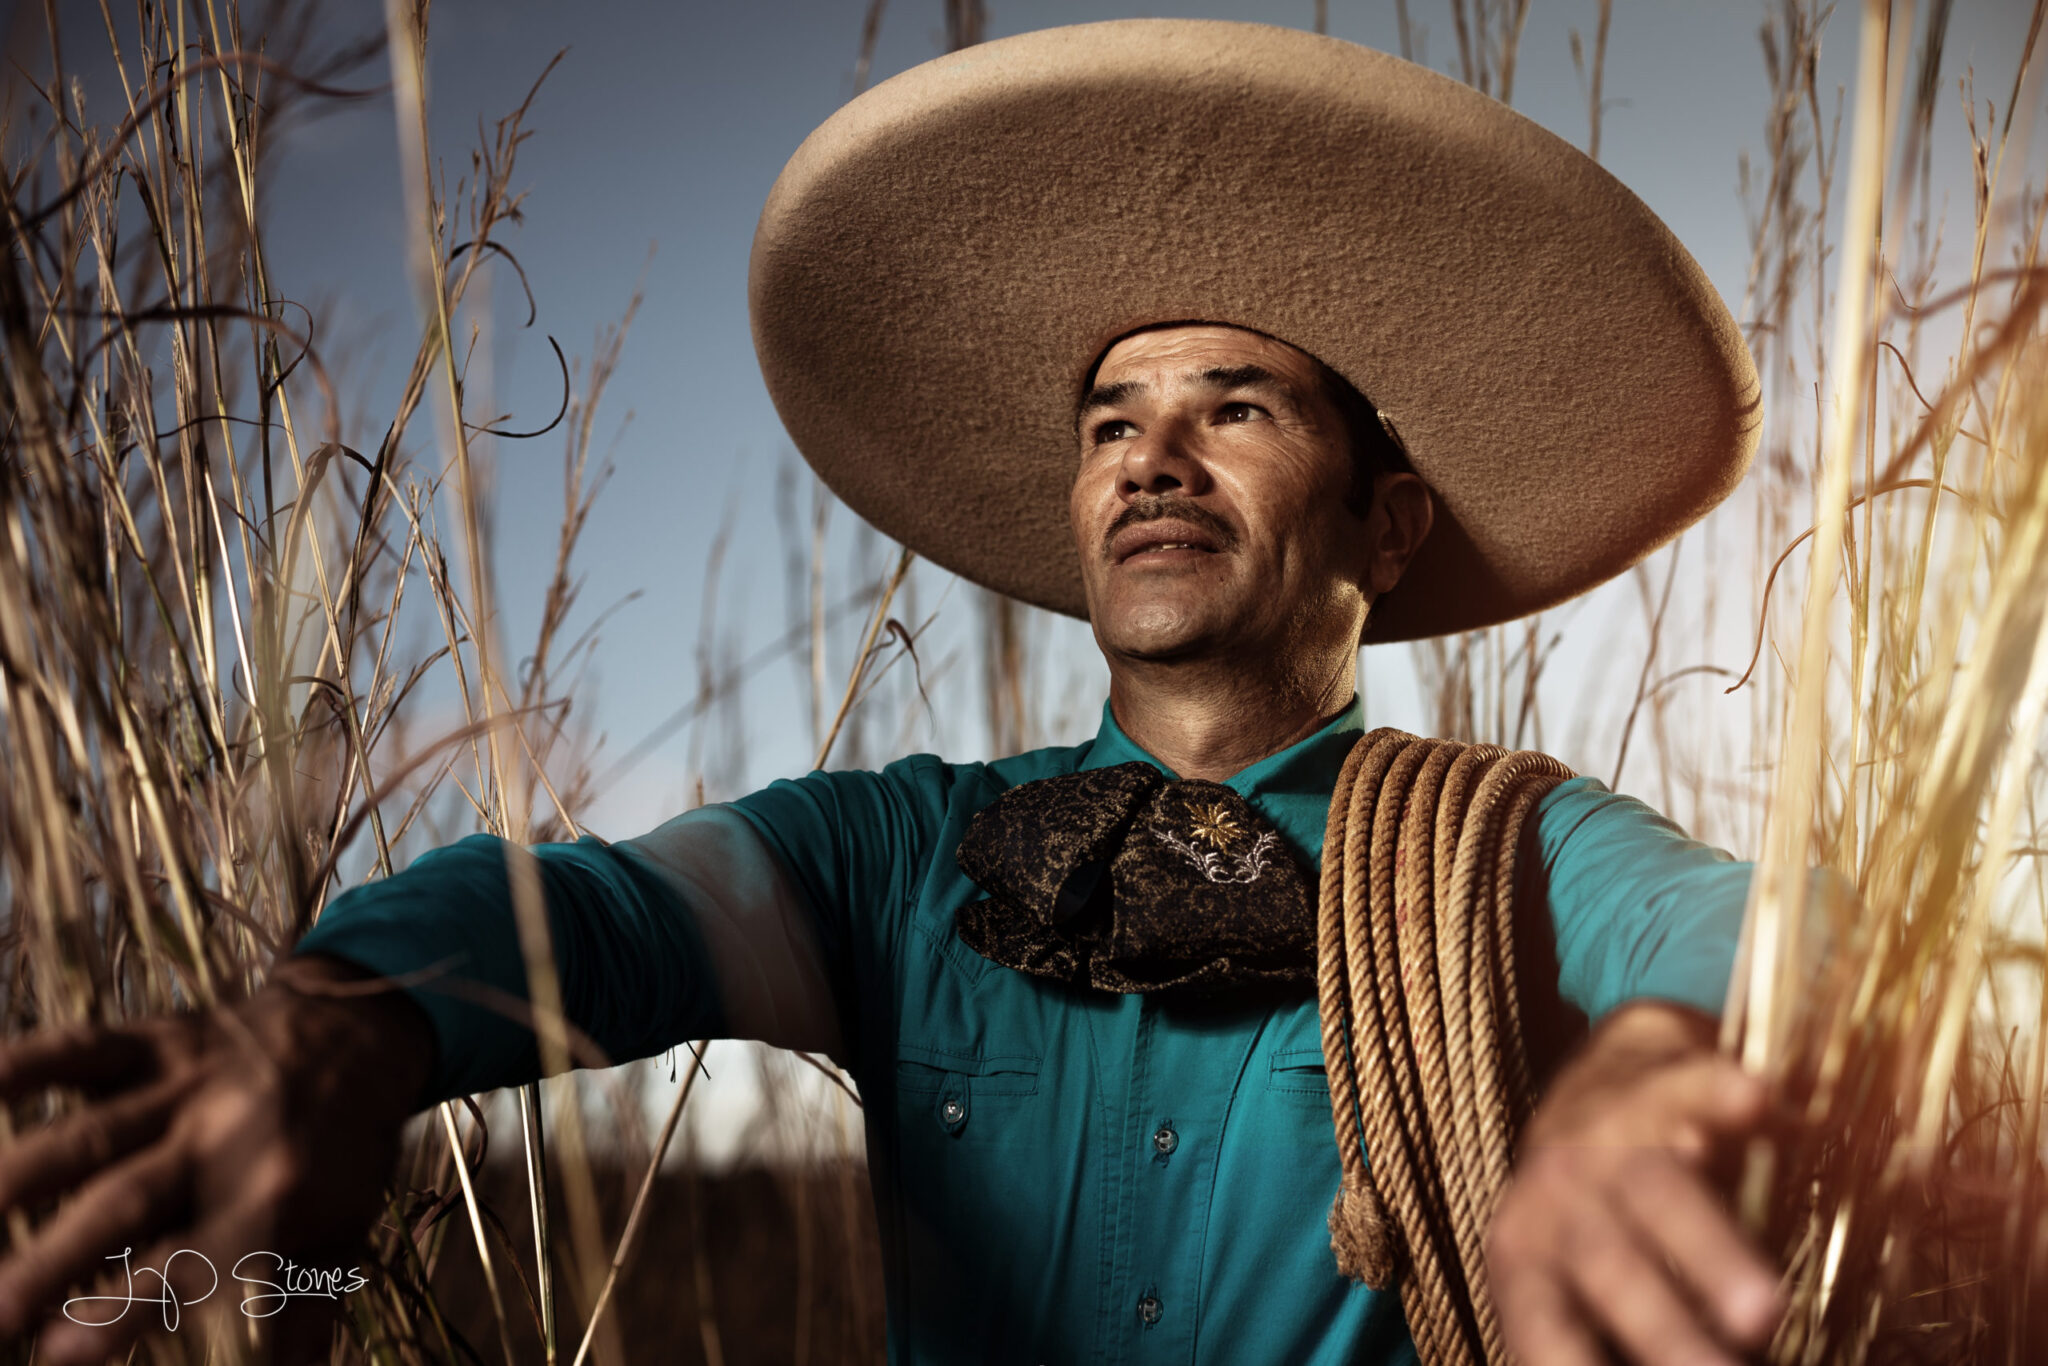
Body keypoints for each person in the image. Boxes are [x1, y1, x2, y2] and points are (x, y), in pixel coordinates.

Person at [0, 20, 1783, 1366]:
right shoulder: (906, 853)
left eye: (1233, 406)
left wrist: (1642, 1060)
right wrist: (354, 1010)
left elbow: (1783, 945)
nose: (1150, 460)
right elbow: (614, 915)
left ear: (1385, 525)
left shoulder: (1509, 857)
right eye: (1109, 425)